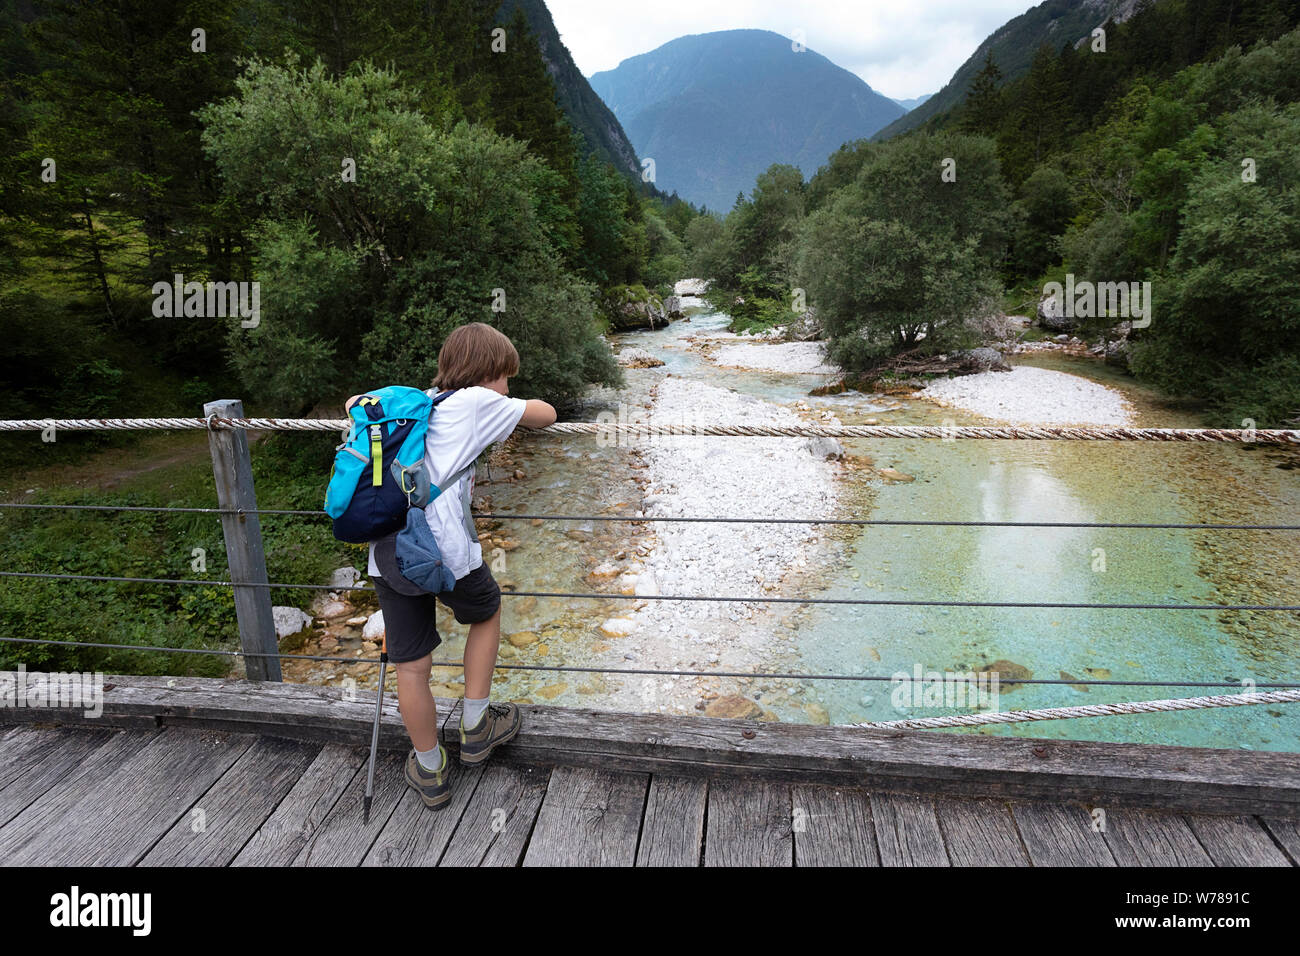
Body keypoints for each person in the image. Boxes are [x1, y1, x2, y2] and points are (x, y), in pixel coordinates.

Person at [348, 322, 556, 811]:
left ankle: (430, 769)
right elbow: (545, 416)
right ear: (488, 373)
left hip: (389, 551)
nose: (508, 386)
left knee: (411, 664)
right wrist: (511, 401)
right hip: (443, 550)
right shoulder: (478, 402)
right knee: (485, 612)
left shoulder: (419, 403)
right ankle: (477, 726)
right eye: (506, 375)